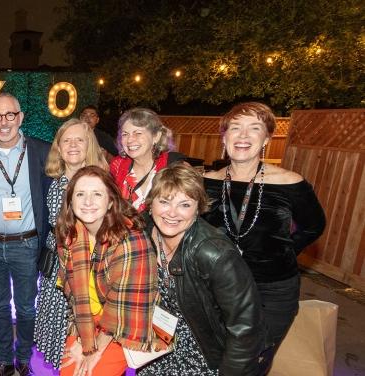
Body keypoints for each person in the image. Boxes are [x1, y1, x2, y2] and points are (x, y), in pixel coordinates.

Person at [203, 102, 326, 366]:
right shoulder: (206, 182)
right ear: (224, 137)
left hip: (271, 292)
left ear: (266, 138)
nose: (243, 136)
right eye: (235, 128)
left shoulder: (290, 182)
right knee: (215, 360)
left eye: (254, 128)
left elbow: (314, 225)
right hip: (216, 289)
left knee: (250, 363)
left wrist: (283, 252)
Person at [138, 163, 267, 375]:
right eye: (164, 201)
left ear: (198, 209)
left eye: (185, 205)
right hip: (158, 343)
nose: (172, 213)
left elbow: (246, 328)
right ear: (150, 205)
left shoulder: (216, 254)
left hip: (204, 352)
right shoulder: (144, 232)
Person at [55, 166, 157, 376]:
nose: (88, 201)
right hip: (87, 321)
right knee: (68, 372)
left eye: (97, 194)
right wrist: (81, 340)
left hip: (123, 322)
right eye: (80, 194)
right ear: (70, 202)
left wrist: (94, 350)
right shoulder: (70, 236)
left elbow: (120, 308)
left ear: (111, 201)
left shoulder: (130, 241)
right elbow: (74, 296)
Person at [0, 92, 51, 376]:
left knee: (26, 309)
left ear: (20, 118)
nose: (4, 122)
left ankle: (23, 361)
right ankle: (4, 361)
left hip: (27, 245)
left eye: (10, 115)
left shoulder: (41, 151)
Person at [34, 119, 108, 369]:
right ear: (59, 147)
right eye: (67, 140)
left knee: (83, 339)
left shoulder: (102, 182)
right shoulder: (51, 181)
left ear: (90, 145)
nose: (73, 145)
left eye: (79, 139)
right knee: (58, 340)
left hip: (88, 271)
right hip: (55, 269)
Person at [110, 108, 185, 212]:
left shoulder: (174, 165)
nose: (130, 139)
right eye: (125, 134)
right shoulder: (116, 165)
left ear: (156, 136)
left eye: (138, 133)